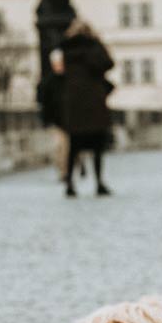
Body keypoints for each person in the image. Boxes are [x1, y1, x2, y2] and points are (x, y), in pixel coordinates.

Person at [53, 17, 116, 198]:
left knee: (74, 145)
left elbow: (59, 73)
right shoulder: (93, 47)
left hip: (73, 101)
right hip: (94, 99)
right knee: (97, 145)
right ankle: (99, 183)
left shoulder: (65, 48)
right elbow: (108, 64)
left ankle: (71, 184)